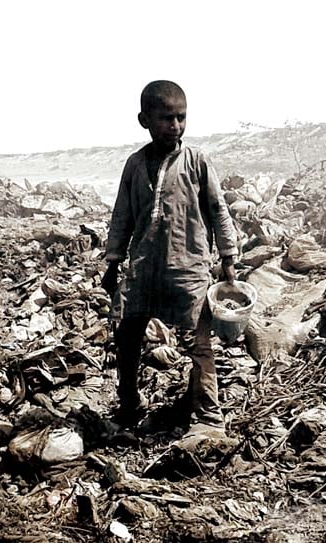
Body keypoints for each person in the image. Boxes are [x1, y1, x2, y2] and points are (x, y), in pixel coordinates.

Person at [101, 80, 238, 434]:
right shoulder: (134, 165)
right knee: (128, 335)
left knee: (198, 341)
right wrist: (113, 262)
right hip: (144, 268)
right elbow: (122, 215)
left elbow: (218, 210)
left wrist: (228, 258)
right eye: (165, 118)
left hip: (188, 267)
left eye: (181, 118)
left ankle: (209, 416)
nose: (174, 126)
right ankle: (130, 403)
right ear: (144, 119)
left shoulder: (196, 162)